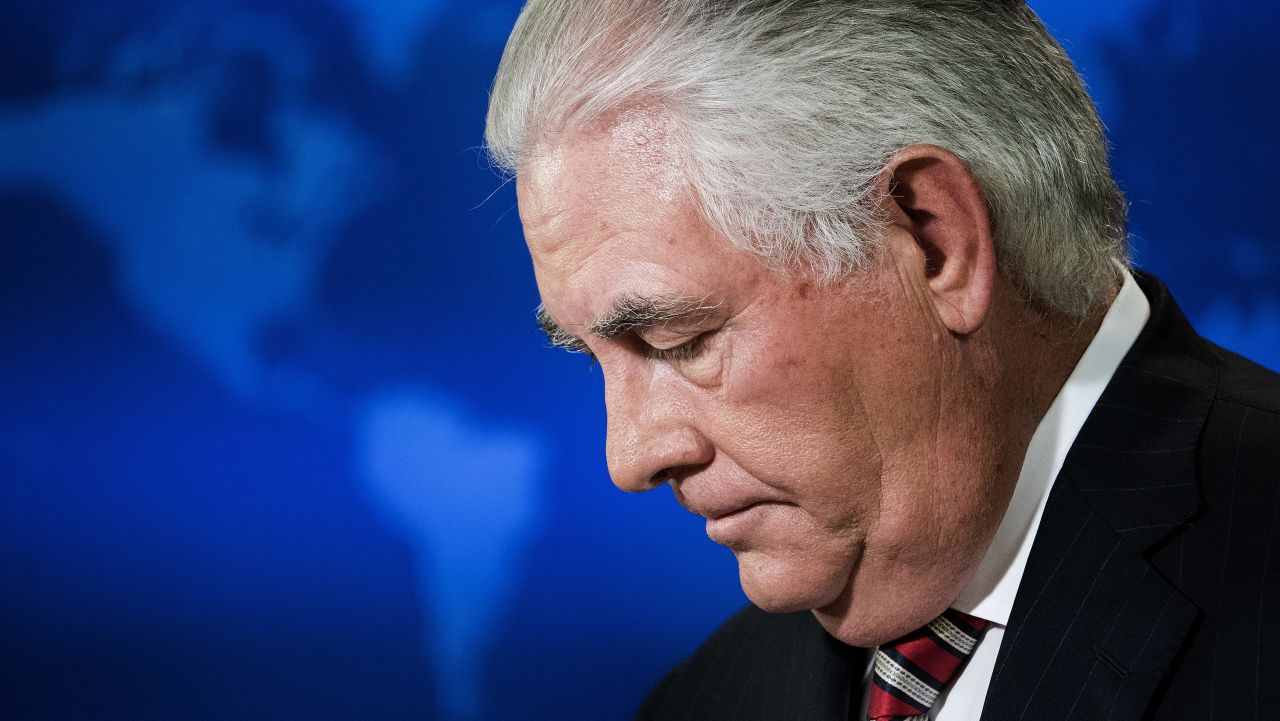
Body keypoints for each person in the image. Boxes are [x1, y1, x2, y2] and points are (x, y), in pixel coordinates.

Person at [484, 1, 1280, 719]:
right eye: (593, 360)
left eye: (676, 340)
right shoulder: (708, 699)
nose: (628, 458)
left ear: (935, 240)